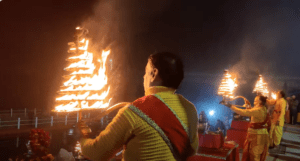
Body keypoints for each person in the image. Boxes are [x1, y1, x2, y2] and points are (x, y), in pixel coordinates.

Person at [77, 52, 199, 161]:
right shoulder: (189, 108)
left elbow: (99, 152)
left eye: (146, 71)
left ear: (153, 73)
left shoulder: (134, 111)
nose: (143, 77)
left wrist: (83, 138)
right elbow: (192, 149)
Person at [221, 95, 269, 161]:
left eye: (256, 100)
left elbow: (244, 112)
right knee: (249, 154)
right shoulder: (260, 108)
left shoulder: (259, 110)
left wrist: (230, 106)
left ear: (260, 101)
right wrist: (248, 105)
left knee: (254, 156)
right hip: (254, 135)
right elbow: (252, 111)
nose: (254, 101)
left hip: (258, 136)